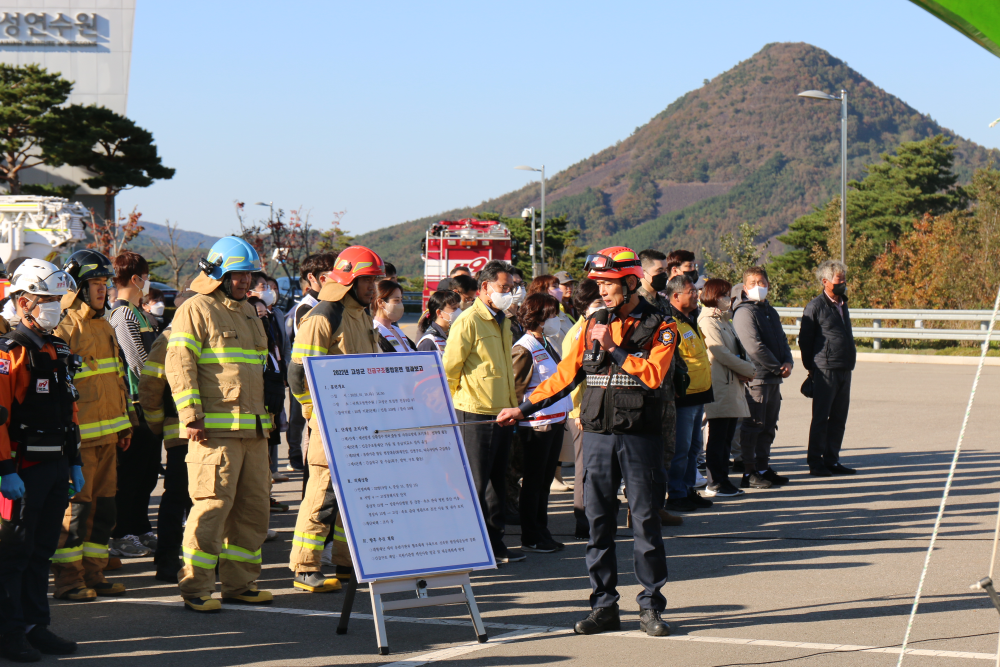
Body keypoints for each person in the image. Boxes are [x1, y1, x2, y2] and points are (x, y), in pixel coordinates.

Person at [497, 246, 678, 637]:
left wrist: (612, 348)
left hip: (640, 438)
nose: (602, 291)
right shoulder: (592, 322)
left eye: (608, 284)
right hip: (596, 436)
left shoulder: (662, 325)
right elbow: (564, 375)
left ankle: (650, 607)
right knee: (598, 524)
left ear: (631, 283)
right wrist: (523, 409)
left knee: (645, 522)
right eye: (597, 284)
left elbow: (653, 375)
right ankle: (603, 605)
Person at [166, 236, 273, 612]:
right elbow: (179, 364)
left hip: (253, 432)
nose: (245, 282)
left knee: (254, 509)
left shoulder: (247, 312)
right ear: (217, 273)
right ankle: (195, 587)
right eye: (237, 275)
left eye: (248, 275)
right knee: (211, 508)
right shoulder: (196, 309)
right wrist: (191, 415)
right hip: (215, 432)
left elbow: (258, 369)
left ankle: (240, 584)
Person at [287, 245, 384, 593]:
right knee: (323, 495)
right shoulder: (324, 316)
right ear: (349, 280)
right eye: (367, 281)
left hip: (361, 423)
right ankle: (304, 566)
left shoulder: (360, 314)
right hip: (332, 425)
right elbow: (299, 375)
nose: (373, 288)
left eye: (375, 281)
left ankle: (347, 564)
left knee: (354, 497)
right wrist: (316, 415)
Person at [0, 259, 82, 659]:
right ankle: (9, 631)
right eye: (47, 299)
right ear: (24, 302)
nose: (54, 306)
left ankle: (36, 625)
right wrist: (3, 471)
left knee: (42, 551)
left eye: (56, 299)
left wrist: (76, 460)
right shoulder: (10, 353)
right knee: (14, 554)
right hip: (20, 469)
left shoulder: (58, 349)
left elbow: (70, 410)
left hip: (55, 466)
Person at [49, 250, 137, 602]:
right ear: (79, 287)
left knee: (104, 508)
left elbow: (116, 379)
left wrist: (126, 426)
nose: (103, 291)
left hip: (108, 436)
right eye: (96, 285)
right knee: (77, 510)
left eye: (105, 284)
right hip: (80, 439)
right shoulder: (65, 325)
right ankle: (70, 580)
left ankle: (95, 574)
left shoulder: (104, 324)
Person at [442, 260, 523, 564]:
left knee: (497, 482)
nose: (509, 293)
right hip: (474, 412)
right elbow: (450, 369)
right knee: (475, 483)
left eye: (511, 288)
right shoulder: (468, 320)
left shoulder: (501, 319)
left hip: (501, 412)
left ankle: (494, 542)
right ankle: (469, 545)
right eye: (504, 288)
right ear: (485, 287)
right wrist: (449, 412)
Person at [139, 290, 194, 582]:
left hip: (209, 432)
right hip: (181, 436)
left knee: (203, 501)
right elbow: (149, 388)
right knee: (176, 497)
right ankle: (167, 559)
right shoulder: (169, 338)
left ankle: (202, 558)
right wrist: (160, 428)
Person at [511, 293, 571, 554]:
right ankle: (531, 535)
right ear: (537, 317)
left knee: (545, 481)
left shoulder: (544, 341)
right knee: (534, 482)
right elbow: (516, 390)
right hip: (536, 425)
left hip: (555, 421)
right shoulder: (524, 347)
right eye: (551, 315)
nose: (555, 319)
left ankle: (542, 530)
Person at [107, 252, 158, 557]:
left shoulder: (140, 313)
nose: (146, 281)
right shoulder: (122, 315)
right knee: (131, 473)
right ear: (136, 278)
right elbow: (137, 361)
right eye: (145, 275)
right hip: (135, 404)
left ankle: (140, 527)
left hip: (149, 402)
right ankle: (121, 532)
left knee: (148, 472)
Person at [732, 266, 793, 490]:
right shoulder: (744, 312)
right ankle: (749, 471)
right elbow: (753, 347)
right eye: (753, 283)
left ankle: (763, 467)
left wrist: (788, 361)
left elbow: (783, 340)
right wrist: (777, 367)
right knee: (753, 425)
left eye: (762, 282)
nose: (759, 287)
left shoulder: (769, 310)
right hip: (756, 377)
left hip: (773, 378)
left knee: (769, 425)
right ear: (745, 287)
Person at [637, 249, 684, 527]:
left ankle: (657, 505)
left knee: (667, 448)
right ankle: (641, 510)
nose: (664, 276)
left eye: (665, 271)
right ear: (642, 274)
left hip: (666, 387)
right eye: (658, 272)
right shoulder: (636, 305)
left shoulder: (663, 303)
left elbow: (670, 342)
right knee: (645, 453)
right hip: (646, 389)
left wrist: (679, 374)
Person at [799, 260, 857, 477]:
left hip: (844, 367)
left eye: (844, 280)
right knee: (821, 418)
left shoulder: (843, 303)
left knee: (839, 417)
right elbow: (805, 340)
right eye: (839, 280)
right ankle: (816, 462)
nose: (843, 284)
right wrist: (811, 368)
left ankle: (832, 460)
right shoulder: (815, 307)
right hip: (824, 369)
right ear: (825, 282)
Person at [698, 279, 755, 497]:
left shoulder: (723, 320)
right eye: (724, 295)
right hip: (720, 385)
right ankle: (715, 482)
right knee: (718, 437)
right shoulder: (708, 321)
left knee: (726, 437)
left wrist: (748, 366)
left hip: (731, 383)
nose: (728, 300)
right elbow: (718, 352)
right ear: (714, 296)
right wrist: (748, 369)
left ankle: (723, 479)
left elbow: (738, 348)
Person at [664, 275, 714, 513]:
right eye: (691, 291)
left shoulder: (690, 319)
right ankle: (675, 494)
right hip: (683, 396)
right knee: (681, 448)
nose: (696, 295)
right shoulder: (670, 323)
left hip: (699, 393)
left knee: (694, 447)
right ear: (676, 296)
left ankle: (686, 489)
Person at [285, 253, 337, 473]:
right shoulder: (307, 308)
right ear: (312, 278)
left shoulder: (331, 304)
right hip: (313, 389)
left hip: (332, 390)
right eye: (328, 276)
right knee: (314, 452)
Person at [561, 279, 601, 538]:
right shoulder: (581, 333)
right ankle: (583, 521)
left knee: (590, 468)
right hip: (582, 410)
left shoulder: (586, 329)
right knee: (584, 470)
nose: (602, 307)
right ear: (585, 306)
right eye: (598, 303)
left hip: (587, 408)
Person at [248, 273, 289, 486]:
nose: (263, 319)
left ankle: (268, 488)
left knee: (270, 447)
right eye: (259, 315)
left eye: (265, 315)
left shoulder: (270, 337)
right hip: (251, 413)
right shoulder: (248, 342)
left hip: (269, 409)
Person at [528, 275, 573, 350]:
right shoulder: (540, 319)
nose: (559, 291)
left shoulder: (562, 314)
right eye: (555, 287)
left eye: (558, 287)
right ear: (542, 290)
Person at [372, 280, 416, 352]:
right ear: (380, 303)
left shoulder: (398, 331)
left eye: (401, 300)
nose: (400, 304)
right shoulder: (374, 332)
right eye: (396, 300)